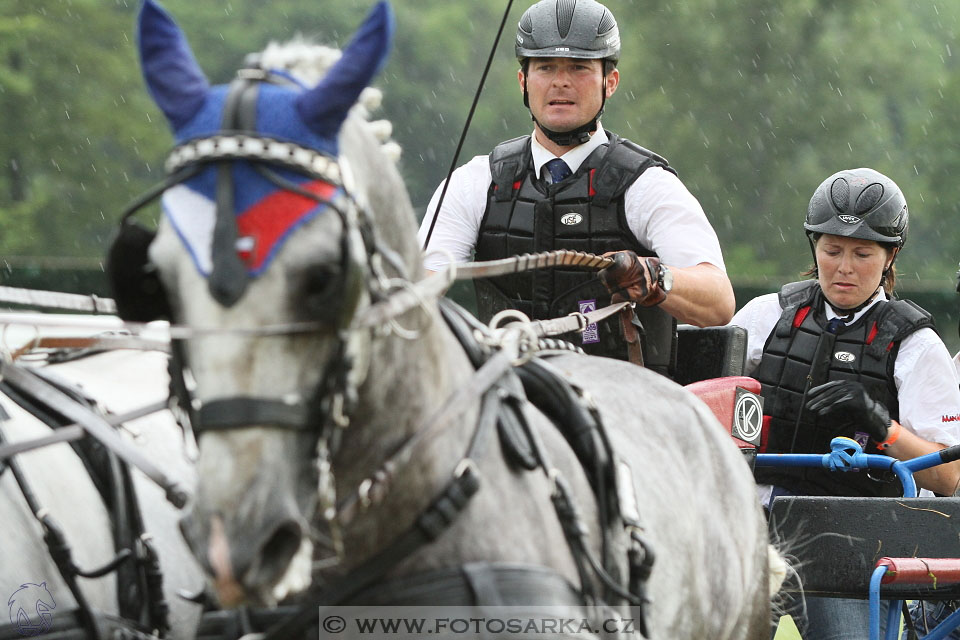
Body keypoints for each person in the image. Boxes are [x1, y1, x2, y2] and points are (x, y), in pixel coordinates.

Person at [417, 0, 734, 377]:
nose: (560, 81)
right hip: (504, 392)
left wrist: (655, 277)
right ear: (524, 81)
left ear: (610, 82)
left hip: (624, 402)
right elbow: (418, 294)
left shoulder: (648, 185)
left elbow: (718, 301)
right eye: (545, 67)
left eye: (579, 68)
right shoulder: (474, 182)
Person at [730, 167, 960, 639]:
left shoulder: (916, 345)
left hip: (852, 534)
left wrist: (880, 424)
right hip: (749, 522)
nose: (844, 267)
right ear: (813, 246)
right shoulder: (764, 316)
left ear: (891, 255)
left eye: (863, 253)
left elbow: (949, 477)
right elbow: (706, 403)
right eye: (831, 250)